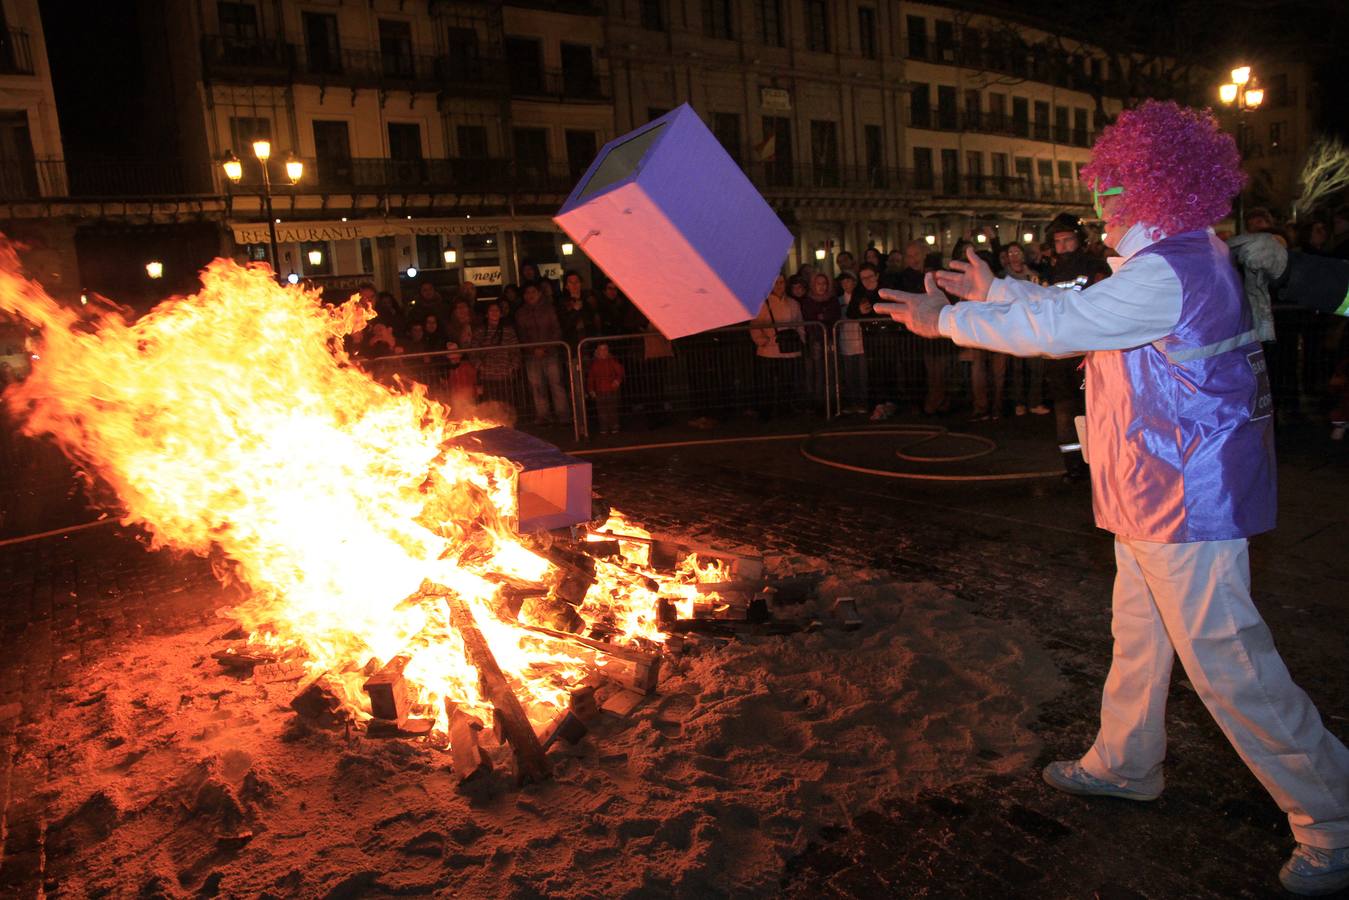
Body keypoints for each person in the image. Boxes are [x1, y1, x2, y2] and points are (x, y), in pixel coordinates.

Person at [877, 100, 1349, 897]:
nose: (1101, 205)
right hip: (1155, 489)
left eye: (1114, 188)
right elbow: (1081, 312)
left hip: (1187, 499)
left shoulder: (1169, 269)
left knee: (1230, 665)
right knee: (1138, 638)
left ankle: (1333, 815)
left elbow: (1063, 326)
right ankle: (1125, 763)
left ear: (1154, 187)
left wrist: (950, 318)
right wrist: (996, 289)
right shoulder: (1173, 258)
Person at [1043, 211, 1112, 479]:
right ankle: (1073, 466)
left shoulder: (1095, 267)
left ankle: (1100, 463)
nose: (1062, 246)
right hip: (1060, 354)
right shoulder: (1050, 271)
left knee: (1093, 409)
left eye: (1067, 240)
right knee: (1064, 410)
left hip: (1087, 352)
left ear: (1079, 239)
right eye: (1058, 241)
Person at [513, 281, 571, 426]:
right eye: (527, 293)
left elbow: (556, 330)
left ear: (539, 293)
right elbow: (521, 335)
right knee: (537, 387)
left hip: (550, 353)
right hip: (531, 356)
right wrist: (532, 349)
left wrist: (545, 347)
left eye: (533, 292)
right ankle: (543, 416)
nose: (530, 295)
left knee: (556, 384)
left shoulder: (549, 309)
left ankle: (563, 415)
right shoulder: (521, 313)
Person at [1002, 243, 1049, 416]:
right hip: (1014, 326)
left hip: (1033, 325)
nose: (1014, 255)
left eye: (1017, 252)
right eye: (1011, 253)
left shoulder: (1033, 275)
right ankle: (1019, 403)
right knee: (1017, 369)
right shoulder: (1003, 277)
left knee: (1036, 367)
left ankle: (1035, 401)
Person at [749, 274, 805, 420]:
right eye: (776, 283)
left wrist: (801, 340)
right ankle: (766, 411)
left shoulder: (793, 304)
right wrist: (761, 340)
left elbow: (800, 324)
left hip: (789, 350)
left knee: (787, 382)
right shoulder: (763, 304)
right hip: (769, 350)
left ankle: (784, 410)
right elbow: (755, 325)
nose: (779, 286)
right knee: (767, 384)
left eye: (781, 282)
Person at [471, 301, 522, 418]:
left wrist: (512, 366)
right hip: (487, 375)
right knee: (489, 406)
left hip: (505, 375)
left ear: (501, 313)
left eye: (497, 310)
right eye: (491, 310)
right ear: (487, 314)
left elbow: (516, 351)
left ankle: (507, 425)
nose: (494, 313)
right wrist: (479, 366)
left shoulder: (508, 331)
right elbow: (473, 351)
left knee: (506, 405)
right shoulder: (480, 331)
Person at [836, 271, 868, 413]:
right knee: (849, 375)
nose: (845, 284)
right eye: (843, 282)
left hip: (860, 340)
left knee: (862, 375)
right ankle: (852, 402)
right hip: (845, 340)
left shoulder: (861, 298)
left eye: (848, 281)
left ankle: (863, 402)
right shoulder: (839, 300)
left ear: (854, 282)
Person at [586, 341, 625, 434]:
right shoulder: (594, 364)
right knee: (601, 411)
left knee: (612, 409)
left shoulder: (612, 361)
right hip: (600, 391)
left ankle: (614, 425)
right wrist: (591, 389)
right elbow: (591, 378)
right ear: (597, 351)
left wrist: (617, 381)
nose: (603, 352)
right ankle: (604, 427)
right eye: (601, 350)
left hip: (612, 390)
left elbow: (620, 371)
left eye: (605, 349)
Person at [442, 342, 481, 417]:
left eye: (456, 357)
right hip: (456, 397)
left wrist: (476, 390)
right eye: (452, 358)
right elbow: (448, 384)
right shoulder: (449, 370)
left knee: (470, 413)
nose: (455, 360)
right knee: (459, 414)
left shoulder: (466, 366)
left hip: (469, 396)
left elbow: (474, 378)